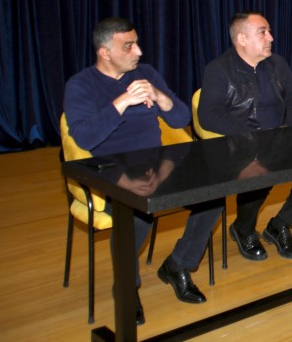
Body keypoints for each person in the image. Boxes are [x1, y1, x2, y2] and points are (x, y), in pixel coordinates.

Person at [63, 17, 223, 324]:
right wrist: (122, 102)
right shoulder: (81, 85)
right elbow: (84, 138)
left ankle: (178, 264)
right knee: (137, 212)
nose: (138, 51)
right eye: (128, 46)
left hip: (156, 162)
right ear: (104, 52)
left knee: (214, 192)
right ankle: (127, 285)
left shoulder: (146, 73)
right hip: (111, 170)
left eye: (136, 43)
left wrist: (160, 97)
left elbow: (180, 119)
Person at [198, 11, 292, 262]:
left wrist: (287, 129)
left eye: (269, 31)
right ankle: (244, 229)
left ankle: (280, 224)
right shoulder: (219, 69)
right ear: (242, 39)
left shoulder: (277, 63)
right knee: (259, 167)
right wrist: (253, 135)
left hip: (280, 137)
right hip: (241, 143)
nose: (271, 37)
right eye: (263, 32)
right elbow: (208, 115)